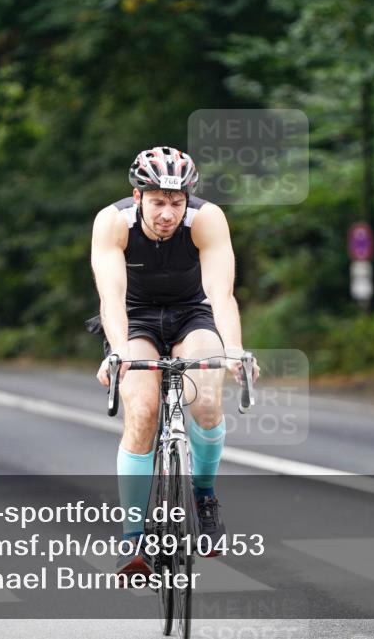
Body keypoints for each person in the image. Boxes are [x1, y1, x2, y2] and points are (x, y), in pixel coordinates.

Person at [90, 146, 260, 578]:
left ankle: (204, 497)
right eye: (158, 202)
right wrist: (117, 352)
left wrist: (235, 351)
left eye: (177, 202)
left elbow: (221, 294)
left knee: (206, 396)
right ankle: (133, 538)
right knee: (143, 412)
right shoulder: (114, 222)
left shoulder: (207, 219)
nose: (168, 213)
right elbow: (110, 297)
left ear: (188, 200)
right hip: (135, 317)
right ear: (138, 195)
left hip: (192, 312)